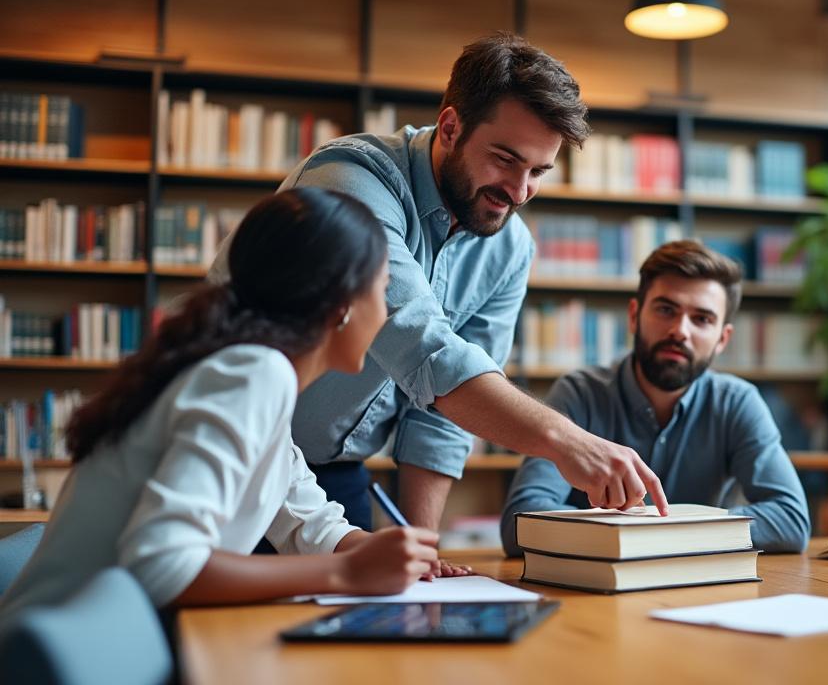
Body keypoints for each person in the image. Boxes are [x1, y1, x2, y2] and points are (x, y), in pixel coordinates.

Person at [207, 33, 667, 535]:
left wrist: (424, 546)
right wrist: (564, 439)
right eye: (505, 159)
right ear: (450, 126)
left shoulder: (509, 247)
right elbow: (422, 347)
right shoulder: (348, 180)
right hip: (228, 447)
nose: (518, 192)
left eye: (538, 171)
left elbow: (445, 415)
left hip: (329, 480)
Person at [1, 190, 457, 618]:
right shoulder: (254, 374)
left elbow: (304, 518)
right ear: (342, 306)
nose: (387, 313)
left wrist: (383, 556)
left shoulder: (252, 370)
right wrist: (349, 574)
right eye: (381, 291)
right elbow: (160, 567)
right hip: (70, 656)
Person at [500, 241, 810, 555]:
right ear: (634, 316)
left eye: (702, 319)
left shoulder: (737, 403)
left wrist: (657, 530)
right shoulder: (579, 394)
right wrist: (670, 531)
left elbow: (791, 521)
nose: (680, 331)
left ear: (722, 339)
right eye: (666, 310)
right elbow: (520, 522)